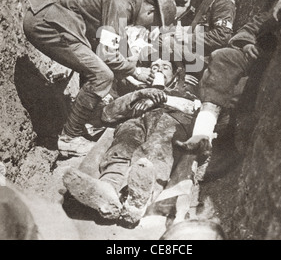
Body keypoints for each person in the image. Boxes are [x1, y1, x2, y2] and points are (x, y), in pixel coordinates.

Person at [23, 0, 177, 157]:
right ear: (150, 11)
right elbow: (107, 55)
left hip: (47, 17)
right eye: (153, 24)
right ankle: (69, 139)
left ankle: (85, 120)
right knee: (102, 75)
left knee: (96, 65)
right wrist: (135, 72)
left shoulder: (122, 2)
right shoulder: (120, 6)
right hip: (45, 21)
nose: (149, 28)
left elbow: (103, 48)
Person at [176, 0, 281, 156]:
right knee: (221, 58)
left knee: (234, 90)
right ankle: (202, 135)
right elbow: (252, 25)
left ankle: (221, 145)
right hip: (259, 51)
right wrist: (245, 42)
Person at [63, 58, 203, 225]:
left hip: (171, 122)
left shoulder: (186, 92)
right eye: (154, 67)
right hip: (136, 122)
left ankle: (137, 202)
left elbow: (195, 112)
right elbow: (107, 114)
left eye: (165, 67)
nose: (158, 70)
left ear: (174, 74)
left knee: (157, 148)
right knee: (123, 145)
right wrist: (139, 94)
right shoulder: (139, 91)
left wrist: (162, 99)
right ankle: (108, 190)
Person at [171, 0, 235, 76]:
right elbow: (188, 18)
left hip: (208, 59)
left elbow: (222, 36)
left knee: (167, 47)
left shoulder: (221, 1)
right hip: (194, 50)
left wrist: (188, 39)